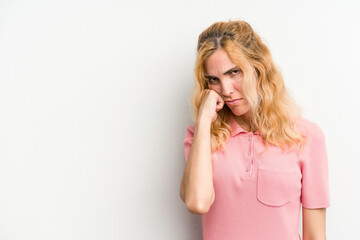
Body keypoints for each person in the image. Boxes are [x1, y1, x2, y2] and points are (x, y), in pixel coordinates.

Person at [179, 20, 330, 240]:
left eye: (234, 72)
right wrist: (204, 119)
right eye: (214, 80)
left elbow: (315, 235)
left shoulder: (307, 136)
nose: (226, 90)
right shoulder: (201, 137)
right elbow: (197, 202)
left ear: (259, 68)